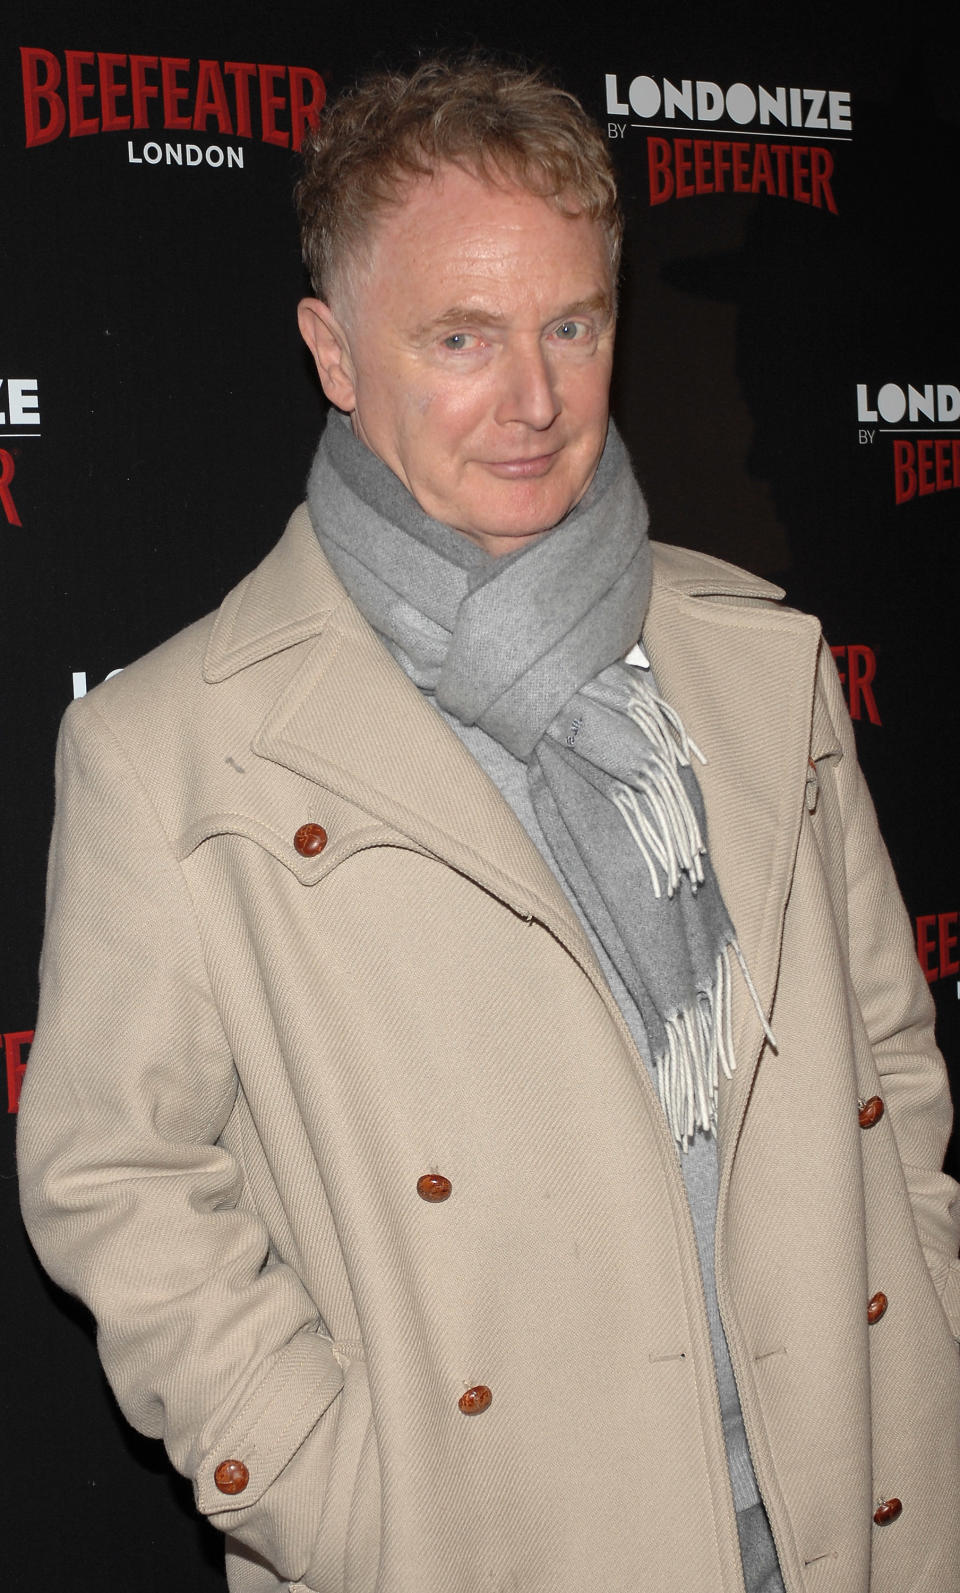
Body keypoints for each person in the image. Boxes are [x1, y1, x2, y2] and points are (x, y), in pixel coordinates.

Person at [17, 56, 960, 1593]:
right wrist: (357, 1503)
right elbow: (114, 1177)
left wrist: (921, 1302)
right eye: (460, 338)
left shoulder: (759, 662)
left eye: (572, 326)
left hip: (846, 1511)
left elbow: (888, 1055)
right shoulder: (174, 750)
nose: (534, 401)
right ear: (333, 350)